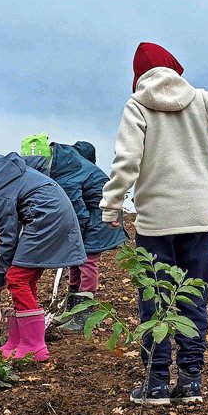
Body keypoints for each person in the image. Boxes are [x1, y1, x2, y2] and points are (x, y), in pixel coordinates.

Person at [101, 41, 208, 405]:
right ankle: (191, 381)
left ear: (139, 77)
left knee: (154, 300)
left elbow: (126, 161)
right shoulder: (200, 99)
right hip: (197, 219)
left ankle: (156, 383)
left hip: (156, 223)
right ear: (174, 68)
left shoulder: (137, 105)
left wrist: (111, 207)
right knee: (193, 298)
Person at [0, 153, 86, 362]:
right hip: (47, 214)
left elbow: (8, 237)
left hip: (46, 216)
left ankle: (34, 346)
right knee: (26, 278)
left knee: (17, 278)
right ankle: (16, 342)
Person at [21, 134, 127, 332]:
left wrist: (71, 237)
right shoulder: (61, 163)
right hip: (89, 213)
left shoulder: (66, 174)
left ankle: (83, 317)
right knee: (75, 259)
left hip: (101, 215)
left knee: (87, 260)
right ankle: (72, 311)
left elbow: (76, 211)